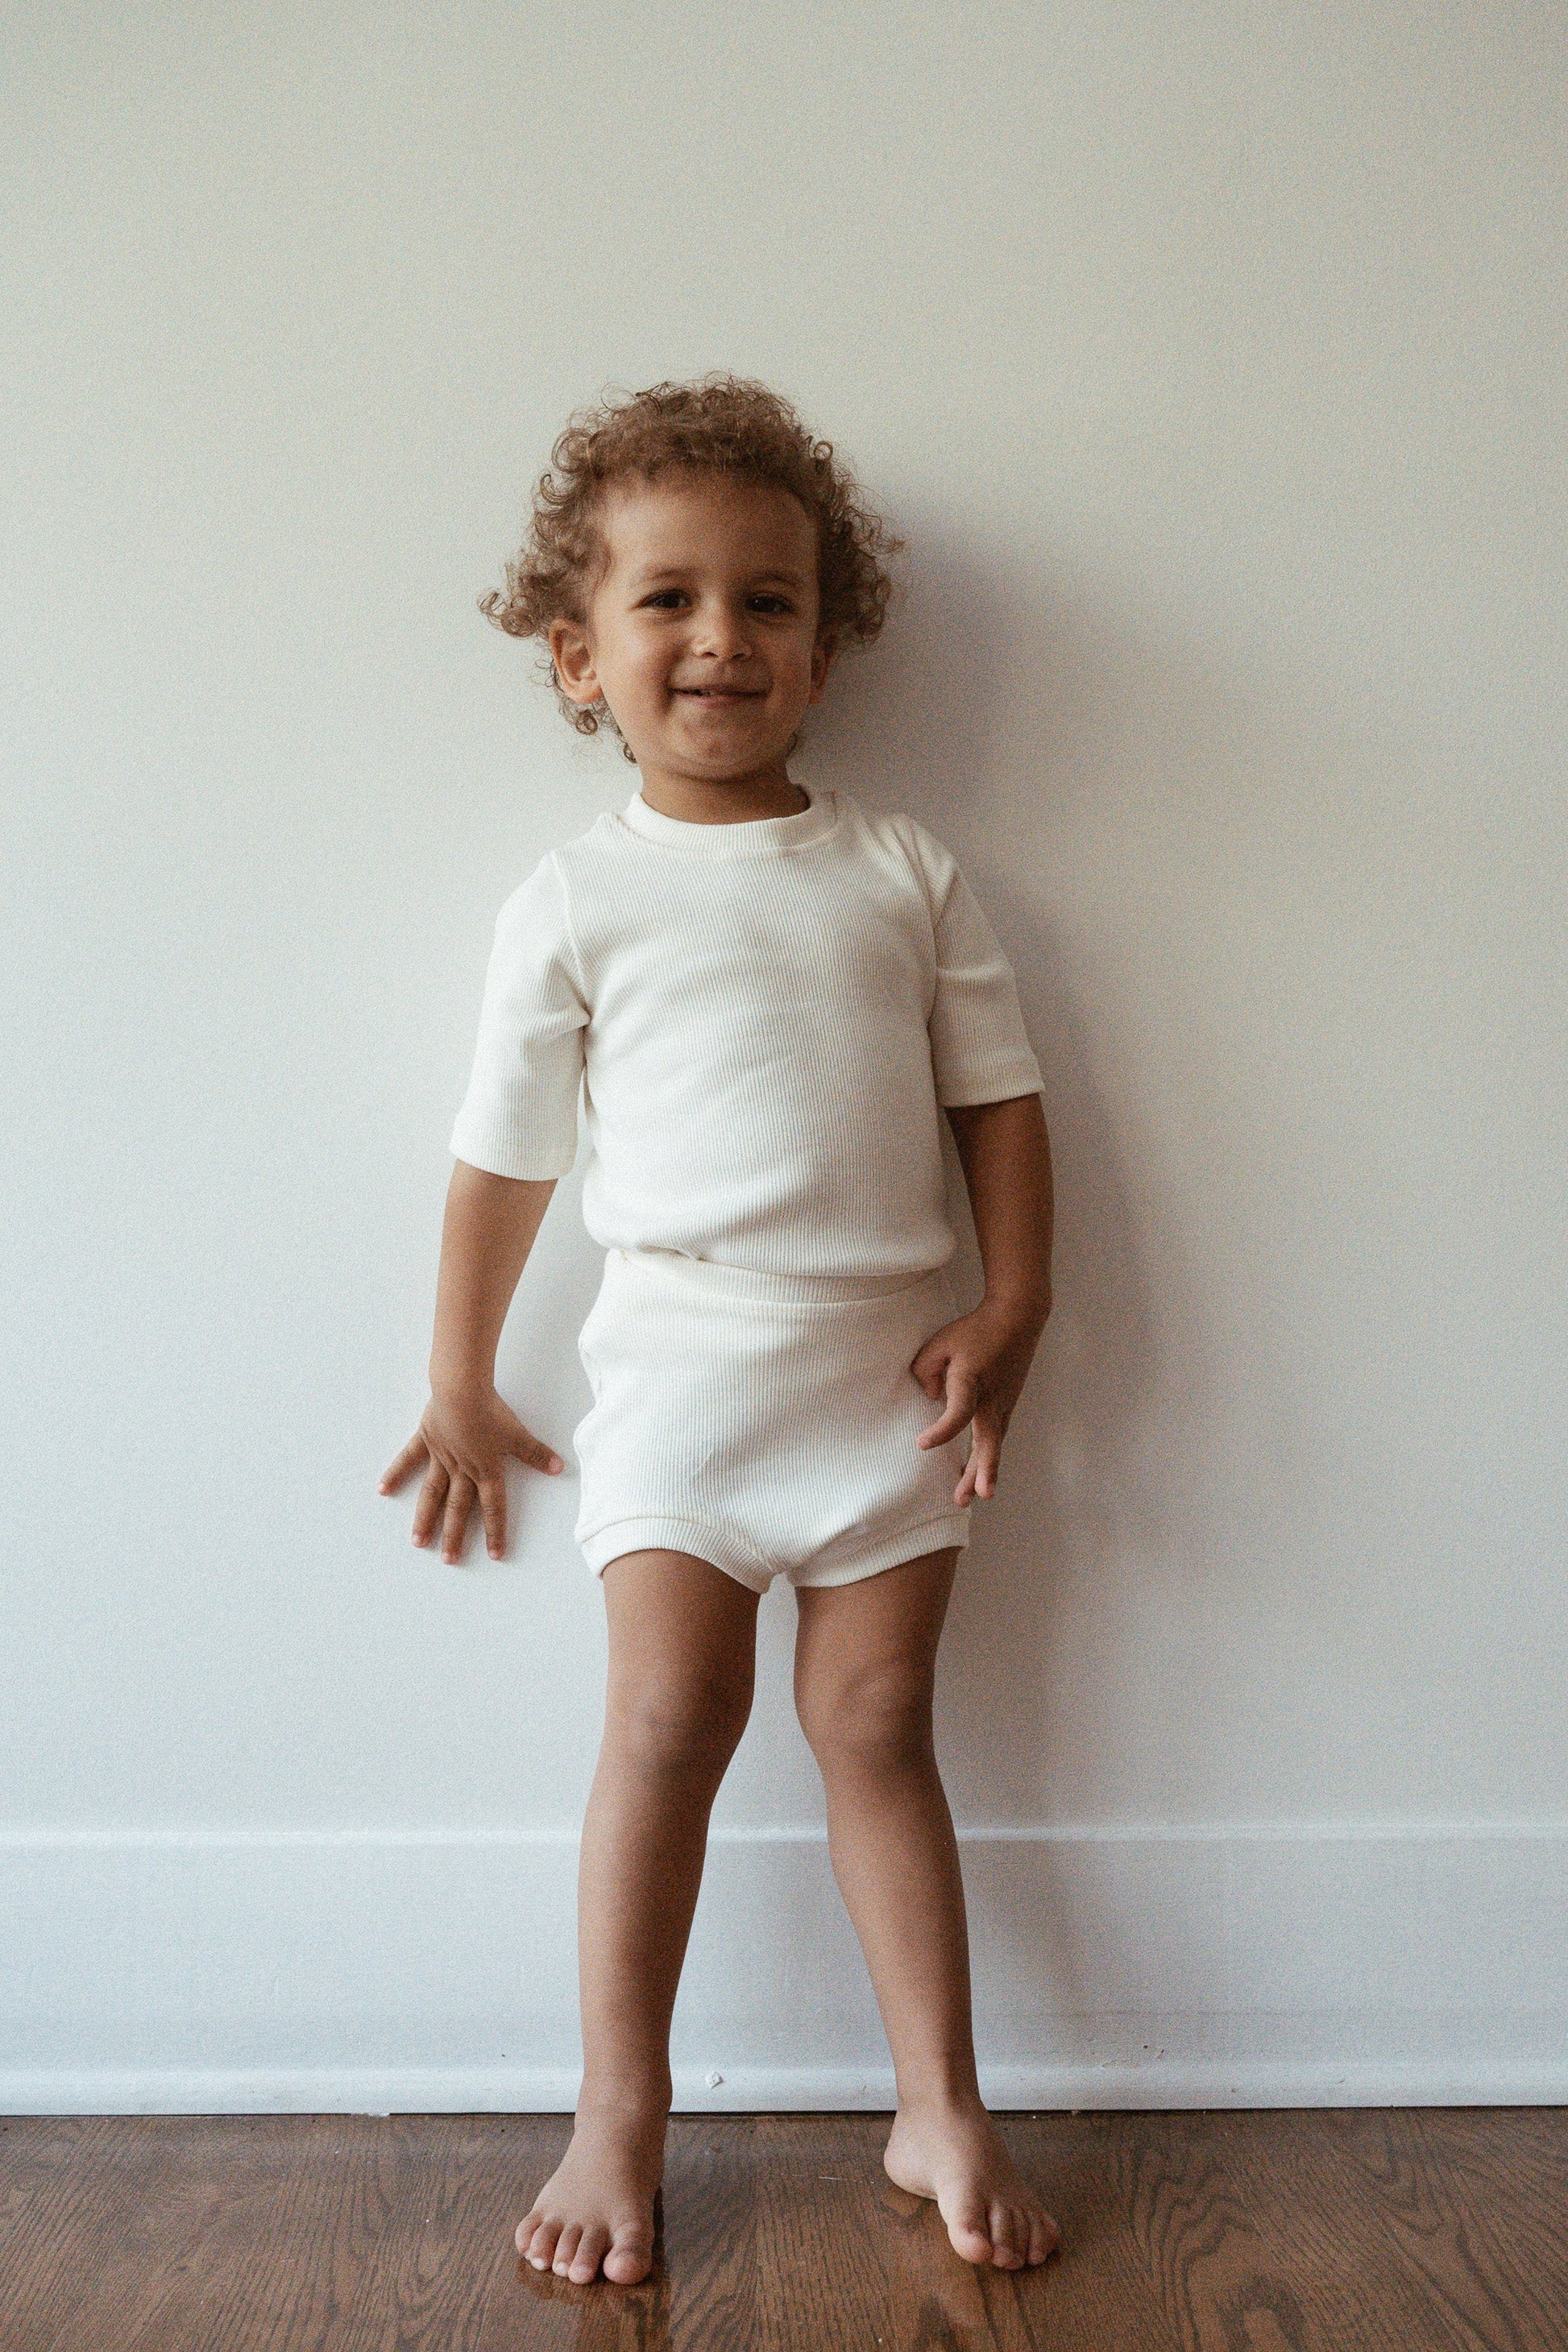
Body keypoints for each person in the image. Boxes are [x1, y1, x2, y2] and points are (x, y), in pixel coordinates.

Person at [379, 374, 1060, 2288]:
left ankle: (939, 2096)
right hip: (676, 1385)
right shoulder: (576, 898)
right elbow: (496, 1162)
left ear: (825, 645)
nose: (718, 639)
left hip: (884, 1387)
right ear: (574, 653)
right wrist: (458, 1371)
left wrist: (1012, 1309)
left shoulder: (900, 872)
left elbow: (1001, 1110)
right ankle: (618, 2108)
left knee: (877, 1727)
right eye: (666, 600)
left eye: (767, 601)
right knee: (667, 1723)